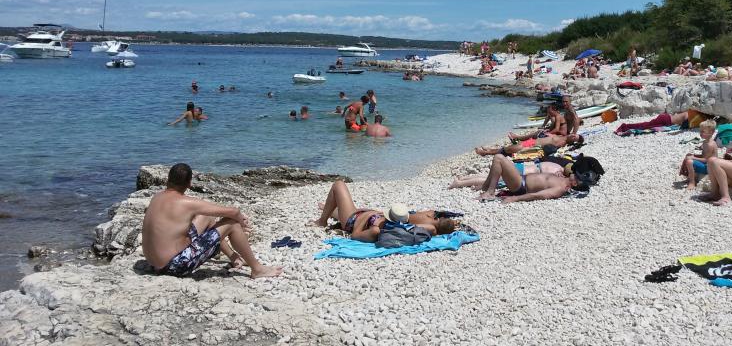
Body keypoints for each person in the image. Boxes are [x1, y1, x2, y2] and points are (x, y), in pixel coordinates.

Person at [142, 163, 282, 278]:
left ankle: (234, 257)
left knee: (207, 217)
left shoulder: (157, 197)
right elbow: (234, 212)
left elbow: (212, 214)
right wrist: (241, 221)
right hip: (174, 266)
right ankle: (257, 269)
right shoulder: (187, 203)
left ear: (168, 179)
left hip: (154, 264)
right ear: (189, 184)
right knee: (231, 224)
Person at [307, 180, 456, 241]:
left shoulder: (376, 230)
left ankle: (322, 221)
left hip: (353, 220)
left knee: (338, 185)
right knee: (339, 208)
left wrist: (366, 220)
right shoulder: (409, 225)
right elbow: (430, 228)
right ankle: (329, 209)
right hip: (363, 215)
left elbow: (354, 235)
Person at [475, 154, 594, 203]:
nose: (575, 174)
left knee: (499, 158)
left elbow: (539, 195)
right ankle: (486, 187)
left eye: (577, 176)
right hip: (520, 179)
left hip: (520, 186)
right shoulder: (562, 178)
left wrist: (515, 198)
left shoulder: (560, 188)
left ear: (574, 183)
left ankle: (490, 192)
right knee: (499, 161)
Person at [678, 120, 719, 188]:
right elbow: (704, 156)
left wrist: (693, 157)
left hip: (708, 167)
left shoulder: (710, 145)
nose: (700, 133)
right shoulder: (705, 142)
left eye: (703, 131)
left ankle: (692, 182)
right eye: (700, 131)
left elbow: (706, 160)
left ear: (711, 132)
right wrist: (693, 156)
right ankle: (689, 177)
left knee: (689, 161)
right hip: (706, 164)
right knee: (688, 156)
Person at [475, 133, 583, 157]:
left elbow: (552, 149)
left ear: (573, 141)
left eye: (575, 137)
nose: (573, 135)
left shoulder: (563, 143)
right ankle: (490, 150)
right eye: (575, 134)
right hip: (533, 141)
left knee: (509, 149)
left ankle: (485, 152)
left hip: (533, 146)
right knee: (509, 148)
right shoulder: (563, 137)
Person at [614, 109, 705, 135]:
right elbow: (684, 125)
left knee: (645, 124)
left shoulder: (691, 112)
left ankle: (626, 126)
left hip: (666, 118)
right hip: (665, 120)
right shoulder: (691, 116)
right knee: (644, 126)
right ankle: (625, 126)